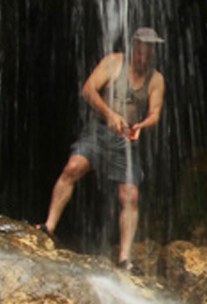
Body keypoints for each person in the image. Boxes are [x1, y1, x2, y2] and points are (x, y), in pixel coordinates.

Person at [42, 27, 167, 274]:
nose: (144, 59)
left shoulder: (156, 79)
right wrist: (109, 114)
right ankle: (48, 226)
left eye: (149, 54)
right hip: (99, 130)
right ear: (134, 48)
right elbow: (88, 89)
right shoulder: (114, 62)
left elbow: (155, 113)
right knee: (73, 167)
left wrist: (141, 125)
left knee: (130, 196)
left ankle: (124, 258)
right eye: (141, 53)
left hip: (127, 139)